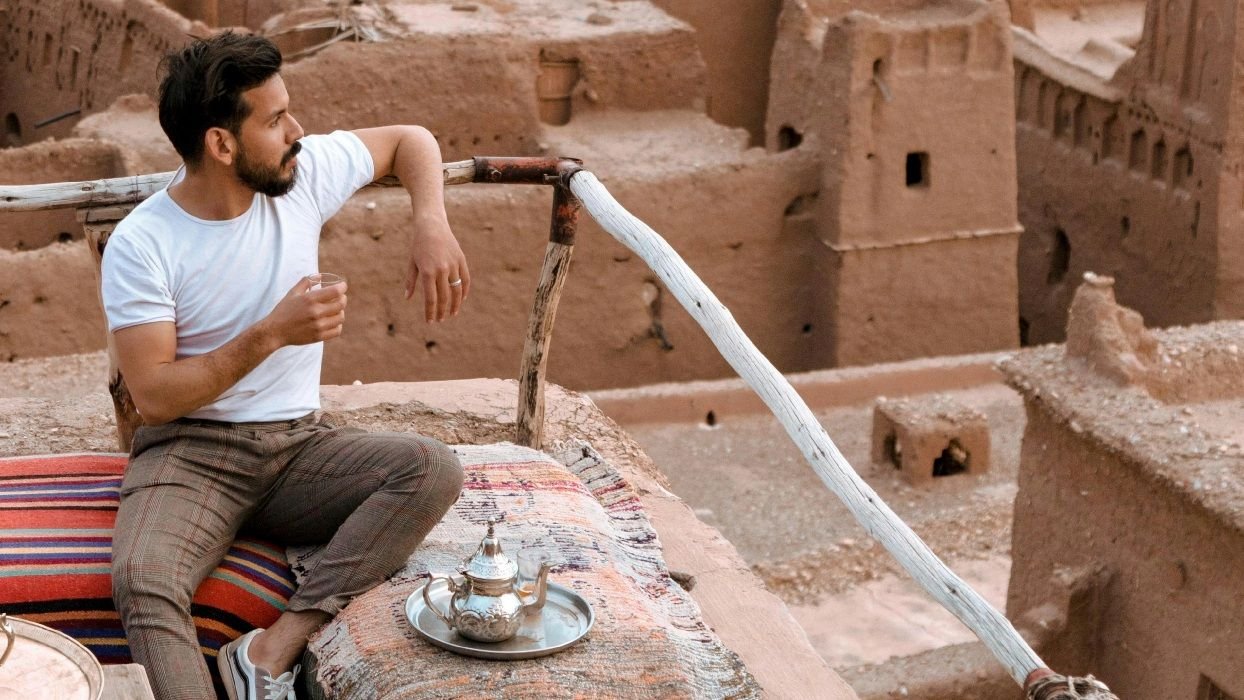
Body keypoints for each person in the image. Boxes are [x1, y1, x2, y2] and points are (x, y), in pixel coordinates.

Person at [101, 31, 467, 700]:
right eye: (275, 120)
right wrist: (270, 334)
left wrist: (430, 220)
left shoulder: (299, 176)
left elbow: (408, 139)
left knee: (429, 468)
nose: (297, 131)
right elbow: (154, 397)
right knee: (143, 580)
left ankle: (269, 652)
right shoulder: (145, 243)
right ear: (222, 144)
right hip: (190, 453)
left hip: (299, 450)